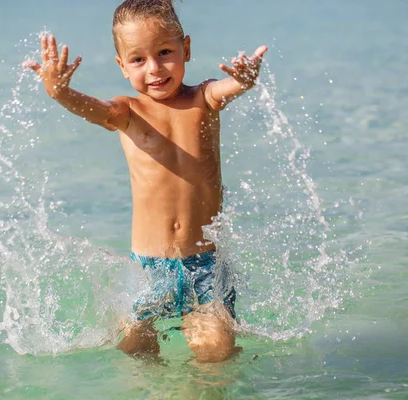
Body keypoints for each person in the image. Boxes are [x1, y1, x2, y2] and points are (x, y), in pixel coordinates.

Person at [24, 0, 267, 363]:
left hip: (206, 265)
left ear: (186, 48)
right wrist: (60, 93)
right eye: (138, 59)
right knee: (134, 348)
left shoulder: (203, 97)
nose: (154, 68)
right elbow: (96, 110)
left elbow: (225, 89)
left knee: (216, 350)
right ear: (122, 66)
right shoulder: (128, 112)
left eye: (165, 52)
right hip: (150, 268)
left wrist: (244, 81)